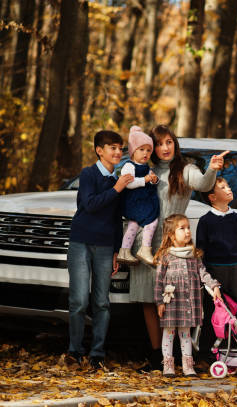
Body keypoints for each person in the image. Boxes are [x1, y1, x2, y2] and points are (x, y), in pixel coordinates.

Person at [129, 124, 228, 372]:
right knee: (148, 301)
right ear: (152, 148)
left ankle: (176, 356)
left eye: (169, 142)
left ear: (175, 143)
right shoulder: (145, 169)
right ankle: (157, 356)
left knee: (172, 298)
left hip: (173, 245)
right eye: (159, 144)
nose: (164, 148)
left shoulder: (185, 170)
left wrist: (212, 171)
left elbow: (204, 184)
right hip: (145, 243)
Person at [66, 130, 134, 370]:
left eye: (120, 148)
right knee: (78, 300)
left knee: (102, 302)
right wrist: (117, 188)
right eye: (112, 148)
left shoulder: (119, 180)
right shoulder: (89, 174)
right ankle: (74, 351)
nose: (118, 152)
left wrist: (117, 250)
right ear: (99, 150)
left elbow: (117, 218)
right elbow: (90, 204)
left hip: (106, 247)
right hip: (81, 243)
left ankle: (97, 354)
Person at [153, 214, 222, 377]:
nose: (187, 231)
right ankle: (168, 365)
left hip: (188, 302)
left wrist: (214, 286)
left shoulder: (194, 255)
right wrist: (159, 302)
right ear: (171, 235)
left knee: (185, 333)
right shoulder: (165, 256)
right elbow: (158, 281)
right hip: (171, 302)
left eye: (188, 228)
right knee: (169, 332)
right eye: (182, 228)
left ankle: (187, 365)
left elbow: (203, 274)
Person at [196, 177, 237, 365]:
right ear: (212, 197)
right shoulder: (205, 221)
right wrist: (207, 279)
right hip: (215, 274)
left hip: (236, 271)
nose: (229, 189)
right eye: (223, 187)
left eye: (228, 185)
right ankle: (208, 353)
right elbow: (200, 252)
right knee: (214, 313)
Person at [117, 126, 159, 266]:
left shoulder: (147, 167)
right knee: (152, 220)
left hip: (142, 201)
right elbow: (128, 183)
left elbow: (151, 179)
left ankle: (124, 251)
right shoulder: (129, 166)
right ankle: (145, 249)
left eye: (148, 150)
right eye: (141, 150)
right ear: (133, 151)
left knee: (133, 225)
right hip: (133, 201)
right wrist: (144, 180)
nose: (145, 153)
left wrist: (154, 180)